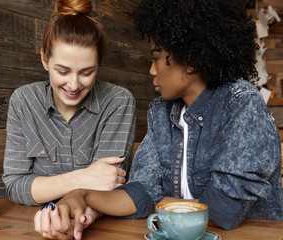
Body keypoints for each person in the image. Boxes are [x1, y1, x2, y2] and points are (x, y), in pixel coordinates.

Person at [34, 0, 283, 239]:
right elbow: (140, 192)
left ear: (189, 61)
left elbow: (223, 212)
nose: (152, 70)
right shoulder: (160, 112)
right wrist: (81, 197)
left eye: (155, 58)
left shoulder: (241, 104)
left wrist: (155, 204)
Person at [2, 0, 136, 207]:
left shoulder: (118, 101)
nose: (73, 85)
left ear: (99, 63)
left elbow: (108, 183)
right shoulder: (24, 101)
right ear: (44, 59)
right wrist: (81, 178)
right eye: (62, 71)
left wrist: (45, 187)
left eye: (86, 72)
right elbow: (15, 185)